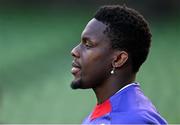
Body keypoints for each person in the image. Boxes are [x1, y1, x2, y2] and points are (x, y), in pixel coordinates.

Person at [70, 5, 167, 124]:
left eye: (88, 44)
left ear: (118, 59)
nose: (74, 51)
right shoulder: (106, 113)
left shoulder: (133, 120)